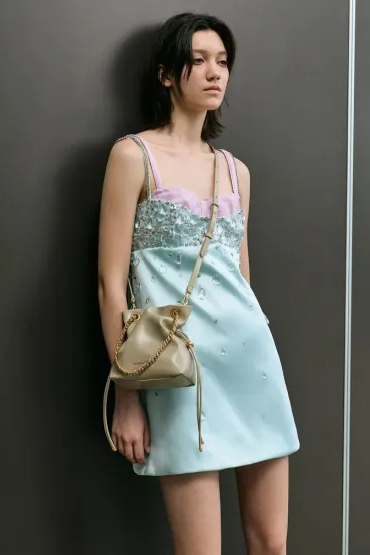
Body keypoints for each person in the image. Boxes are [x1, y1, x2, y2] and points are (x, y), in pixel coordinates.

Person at [98, 12, 299, 555]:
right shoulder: (132, 156)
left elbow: (241, 279)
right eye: (200, 60)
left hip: (251, 363)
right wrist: (127, 396)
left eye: (223, 62)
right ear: (167, 74)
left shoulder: (236, 171)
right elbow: (110, 285)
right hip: (177, 373)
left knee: (271, 544)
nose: (216, 73)